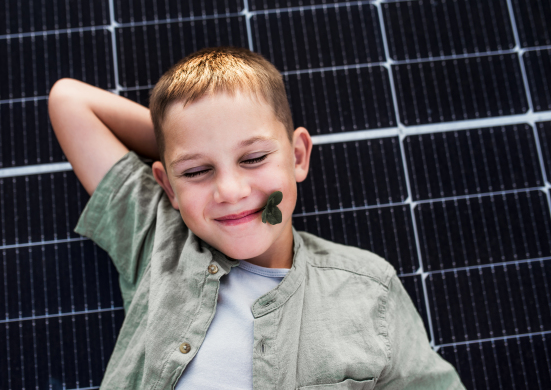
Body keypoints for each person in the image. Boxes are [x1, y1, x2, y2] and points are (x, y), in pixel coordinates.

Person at [48, 47, 465, 389]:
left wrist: (197, 144)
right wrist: (179, 133)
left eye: (253, 157)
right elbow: (70, 102)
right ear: (169, 187)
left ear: (297, 155)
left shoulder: (368, 287)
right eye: (195, 171)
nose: (230, 191)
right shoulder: (158, 239)